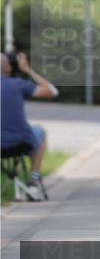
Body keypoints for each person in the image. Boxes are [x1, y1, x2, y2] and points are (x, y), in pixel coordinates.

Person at [1, 52, 58, 199]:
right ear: (8, 68)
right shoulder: (18, 84)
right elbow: (52, 91)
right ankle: (33, 181)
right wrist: (28, 70)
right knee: (40, 131)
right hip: (21, 142)